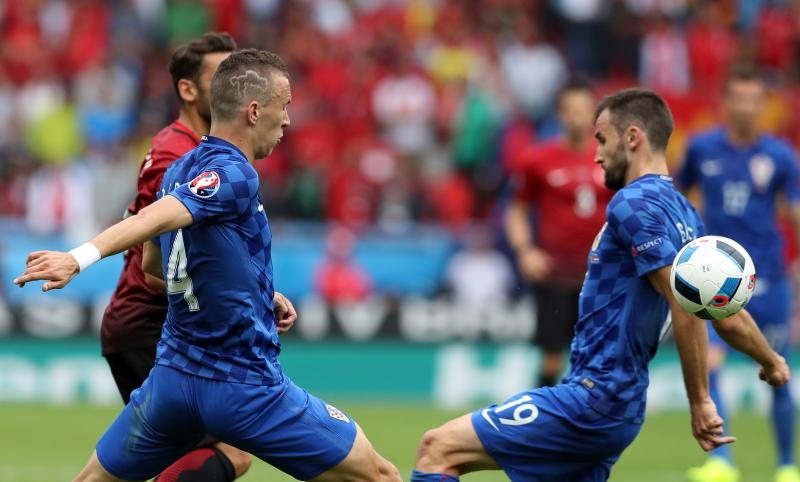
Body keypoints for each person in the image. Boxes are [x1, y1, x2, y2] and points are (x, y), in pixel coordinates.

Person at [14, 49, 401, 482]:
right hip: (243, 385)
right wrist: (78, 257)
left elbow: (154, 267)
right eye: (285, 106)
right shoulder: (236, 175)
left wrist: (255, 294)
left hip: (173, 382)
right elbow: (153, 220)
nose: (289, 120)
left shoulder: (178, 169)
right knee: (380, 475)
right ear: (255, 111)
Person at [407, 88, 790, 482]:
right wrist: (771, 360)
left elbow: (684, 301)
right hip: (617, 404)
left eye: (602, 139)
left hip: (594, 397)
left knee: (437, 448)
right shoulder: (686, 213)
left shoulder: (631, 204)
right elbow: (721, 310)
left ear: (633, 137)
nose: (596, 155)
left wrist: (701, 400)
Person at [99, 32, 261, 482]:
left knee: (181, 454)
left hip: (160, 325)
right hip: (149, 322)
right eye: (223, 77)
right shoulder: (177, 154)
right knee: (228, 450)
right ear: (188, 90)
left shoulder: (204, 151)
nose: (236, 86)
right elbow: (157, 263)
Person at [678, 65, 800, 482]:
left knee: (779, 372)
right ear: (726, 103)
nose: (746, 107)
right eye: (739, 99)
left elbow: (795, 211)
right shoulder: (701, 148)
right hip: (715, 284)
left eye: (754, 100)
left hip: (769, 280)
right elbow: (682, 199)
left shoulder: (782, 156)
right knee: (710, 360)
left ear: (763, 106)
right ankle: (721, 462)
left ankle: (786, 465)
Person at [504, 78, 612, 388]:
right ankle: (541, 424)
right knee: (551, 357)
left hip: (602, 275)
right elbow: (518, 210)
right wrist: (525, 250)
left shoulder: (613, 158)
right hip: (555, 274)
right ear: (560, 114)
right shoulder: (537, 159)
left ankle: (592, 427)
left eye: (584, 110)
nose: (577, 117)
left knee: (598, 357)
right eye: (570, 110)